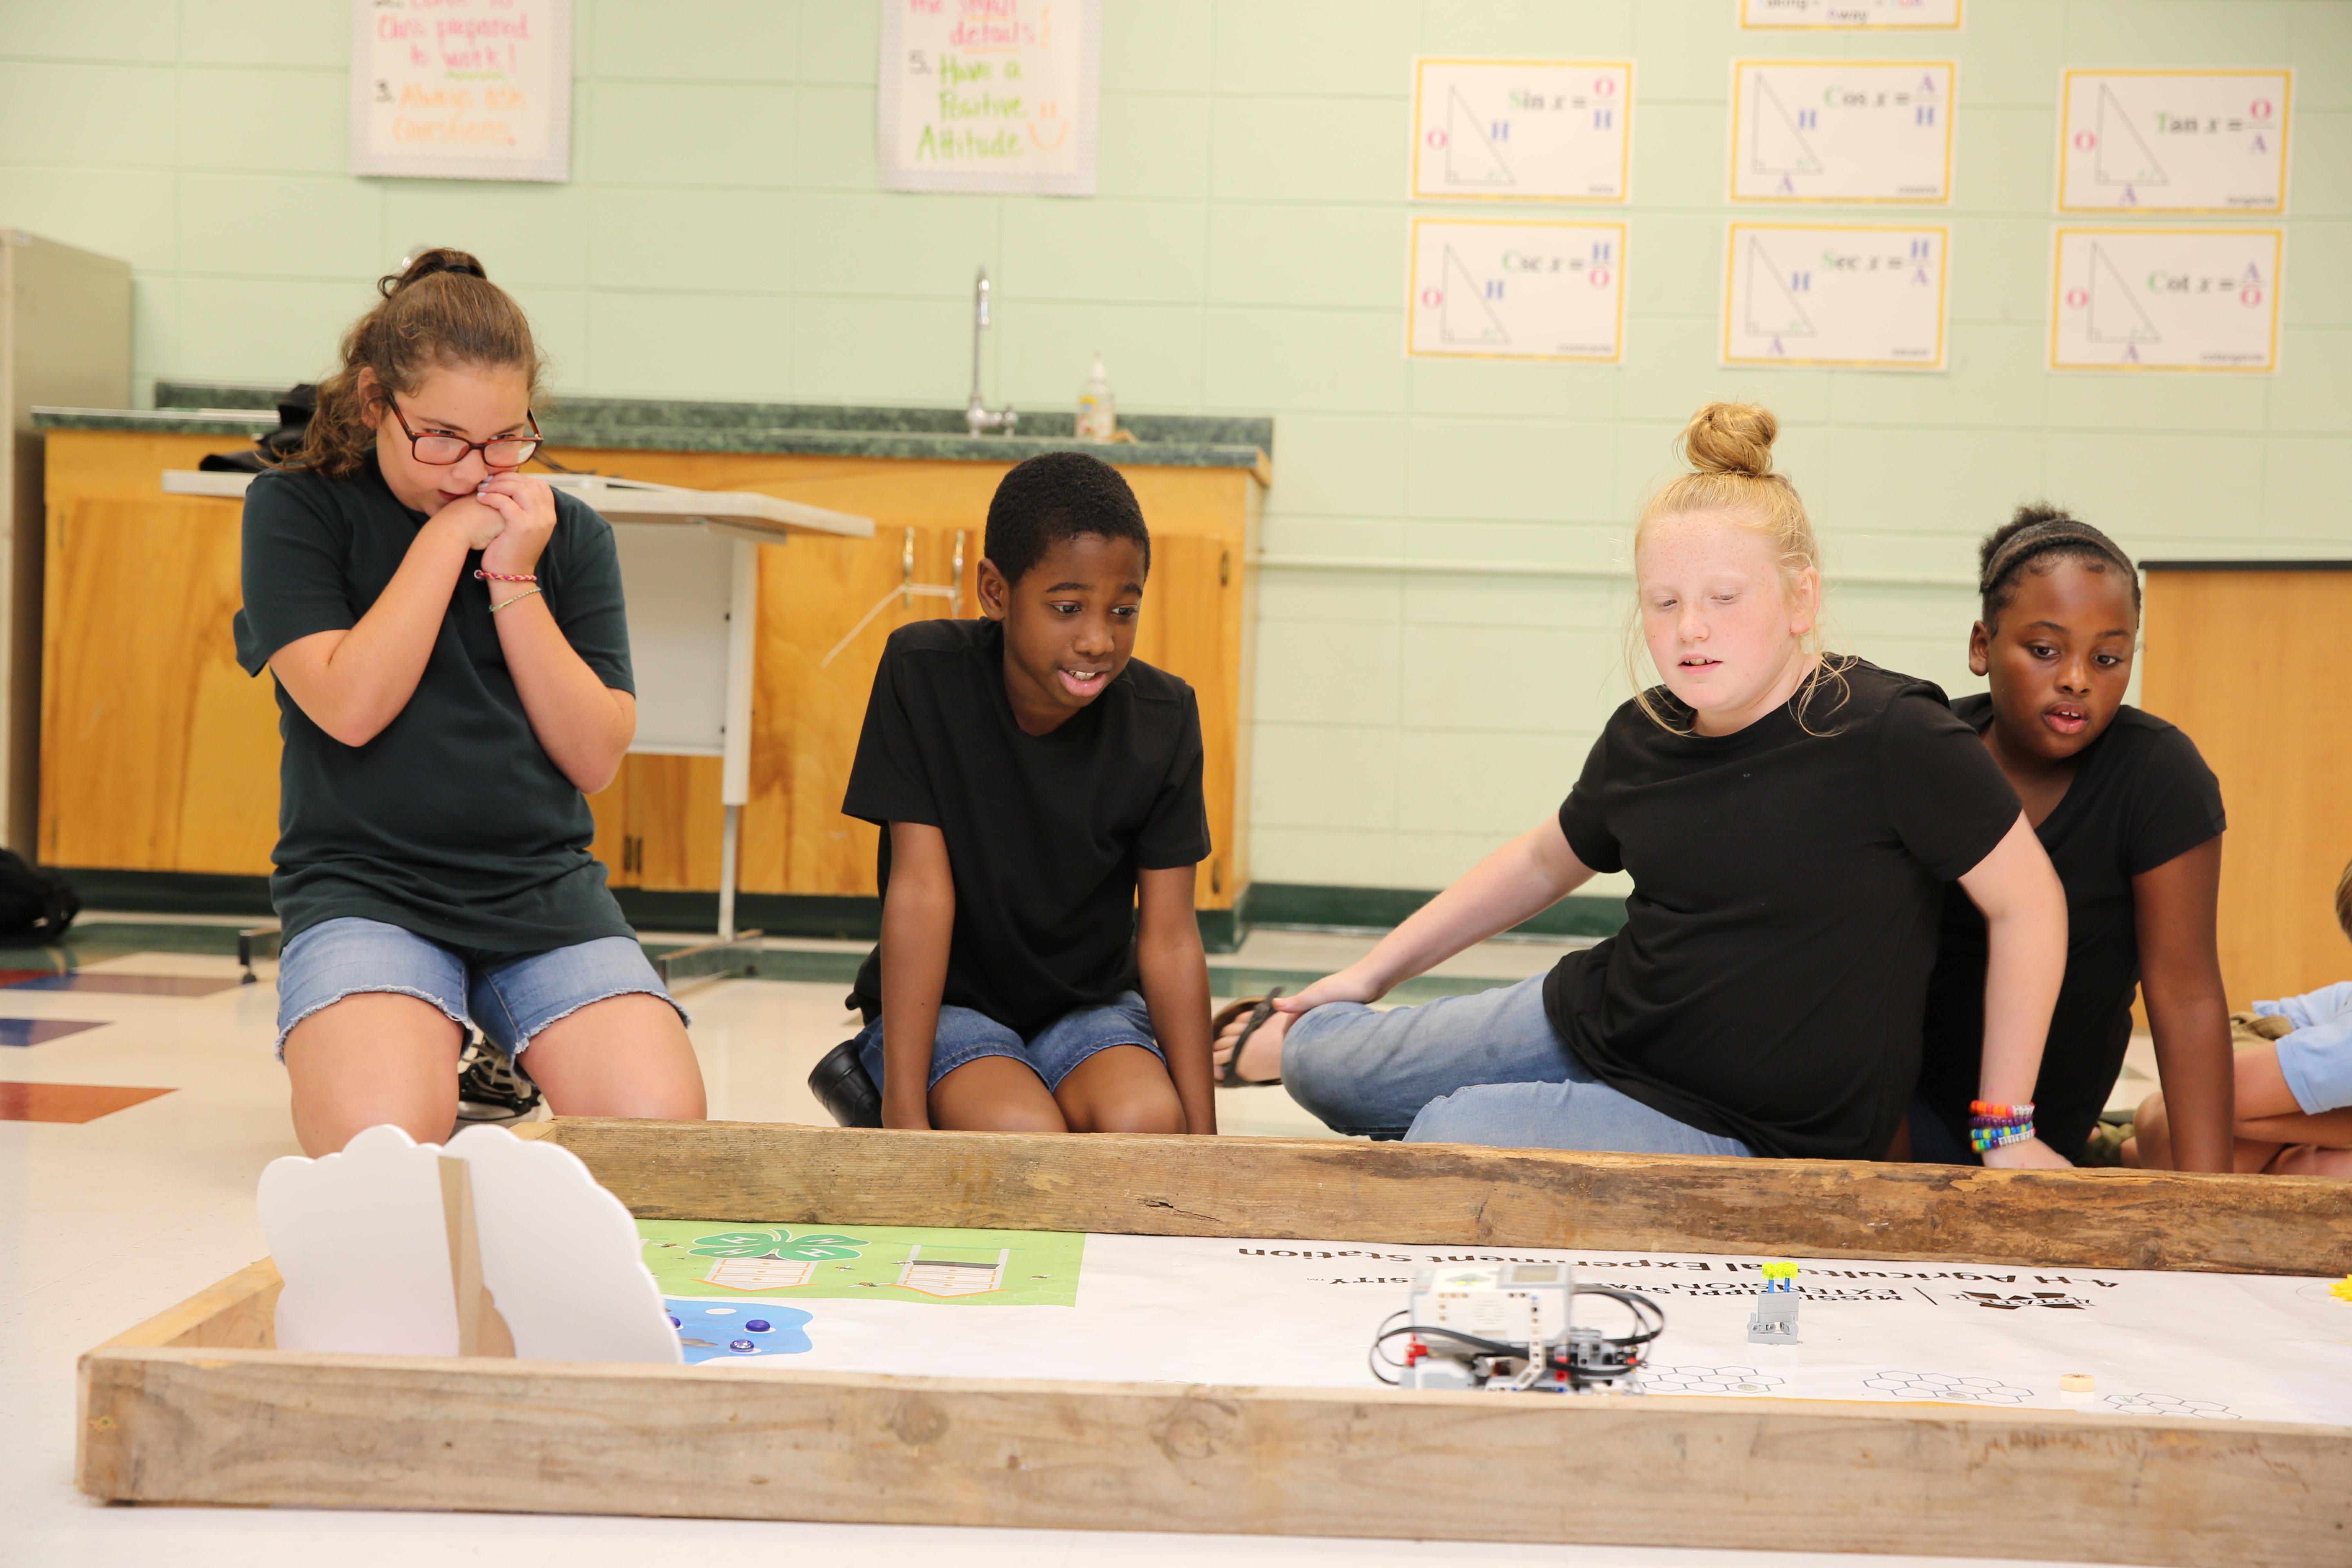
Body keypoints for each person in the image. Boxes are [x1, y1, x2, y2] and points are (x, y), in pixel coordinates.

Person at [1215, 401, 2071, 1167]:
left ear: (1800, 597)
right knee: (1319, 1061)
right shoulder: (1646, 732)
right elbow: (1541, 864)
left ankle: (1496, 1116)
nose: (1691, 629)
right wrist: (1369, 975)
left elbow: (2028, 903)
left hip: (1753, 1130)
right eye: (1663, 603)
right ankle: (1298, 1044)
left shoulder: (1892, 732)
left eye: (1725, 598)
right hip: (1603, 1023)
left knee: (1451, 1137)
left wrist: (2007, 1130)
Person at [234, 248, 705, 1157]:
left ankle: (498, 1045)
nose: (472, 471)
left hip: (539, 889)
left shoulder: (568, 535)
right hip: (367, 890)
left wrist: (513, 574)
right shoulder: (295, 509)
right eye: (441, 438)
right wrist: (449, 537)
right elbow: (350, 705)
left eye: (503, 441)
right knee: (379, 1149)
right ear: (375, 403)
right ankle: (435, 1035)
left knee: (661, 1143)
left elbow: (595, 757)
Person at [842, 452, 1216, 1135]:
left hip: (1089, 1009)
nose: (1099, 639)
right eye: (1067, 608)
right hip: (951, 1010)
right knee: (1024, 1139)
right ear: (995, 591)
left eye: (1123, 610)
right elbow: (921, 892)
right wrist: (904, 1115)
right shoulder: (923, 674)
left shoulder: (1164, 717)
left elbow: (1169, 939)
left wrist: (1202, 1140)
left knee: (1147, 1124)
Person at [1908, 510, 2231, 1169]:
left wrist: (2212, 1201)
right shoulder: (1928, 753)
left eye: (2108, 658)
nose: (2078, 678)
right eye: (2046, 650)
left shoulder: (2158, 776)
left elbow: (2187, 996)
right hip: (1895, 1115)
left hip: (2044, 1134)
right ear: (1982, 646)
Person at [2132, 858, 2352, 1176]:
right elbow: (2216, 1101)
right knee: (2207, 1162)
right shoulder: (2343, 1052)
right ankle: (2130, 1138)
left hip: (2302, 1093)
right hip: (2256, 1048)